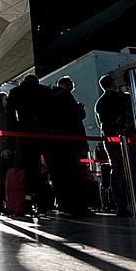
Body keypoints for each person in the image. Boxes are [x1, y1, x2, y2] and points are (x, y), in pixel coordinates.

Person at [95, 75, 136, 216]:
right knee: (133, 170)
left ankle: (120, 204)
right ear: (114, 83)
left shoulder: (100, 102)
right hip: (128, 137)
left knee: (117, 169)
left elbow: (102, 124)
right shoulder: (125, 98)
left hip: (111, 139)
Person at [6, 75, 54, 211]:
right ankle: (43, 203)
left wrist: (16, 128)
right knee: (46, 168)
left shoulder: (16, 92)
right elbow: (52, 110)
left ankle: (27, 202)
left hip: (25, 134)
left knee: (28, 168)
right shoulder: (45, 91)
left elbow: (10, 111)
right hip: (44, 132)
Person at [47, 76, 89, 216]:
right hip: (70, 143)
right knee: (73, 175)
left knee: (61, 176)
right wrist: (79, 109)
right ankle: (76, 206)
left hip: (57, 144)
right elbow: (76, 117)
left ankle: (65, 205)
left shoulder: (53, 97)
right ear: (67, 84)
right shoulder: (65, 96)